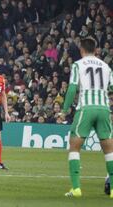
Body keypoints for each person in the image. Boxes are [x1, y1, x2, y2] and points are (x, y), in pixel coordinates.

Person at [62, 38, 113, 198]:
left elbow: (72, 89)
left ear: (82, 50)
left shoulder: (78, 65)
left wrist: (64, 109)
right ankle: (112, 190)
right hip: (104, 109)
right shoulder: (106, 66)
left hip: (85, 108)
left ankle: (76, 188)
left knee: (74, 146)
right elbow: (111, 87)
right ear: (96, 50)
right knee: (110, 150)